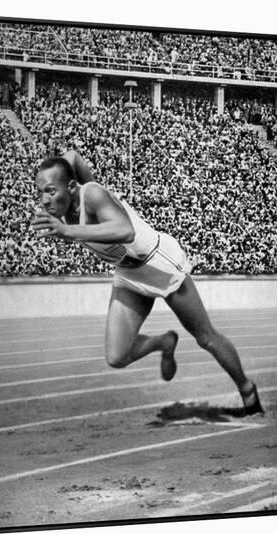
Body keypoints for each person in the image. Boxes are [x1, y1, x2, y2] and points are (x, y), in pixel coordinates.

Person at [31, 150, 264, 415]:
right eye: (40, 192)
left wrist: (68, 230)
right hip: (129, 274)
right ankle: (163, 342)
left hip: (157, 263)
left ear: (71, 186)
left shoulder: (92, 195)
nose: (44, 200)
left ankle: (247, 390)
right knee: (116, 356)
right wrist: (60, 176)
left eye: (50, 190)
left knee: (205, 337)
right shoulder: (61, 209)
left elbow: (126, 231)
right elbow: (71, 156)